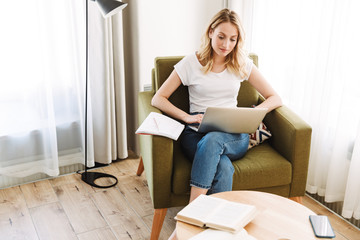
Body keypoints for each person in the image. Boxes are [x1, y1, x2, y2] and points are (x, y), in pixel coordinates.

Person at [151, 8, 282, 240]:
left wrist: (252, 113)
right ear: (211, 32)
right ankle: (216, 232)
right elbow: (158, 98)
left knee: (214, 140)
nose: (226, 44)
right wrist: (187, 117)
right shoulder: (191, 63)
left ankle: (188, 220)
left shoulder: (242, 63)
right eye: (221, 36)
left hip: (234, 135)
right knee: (223, 168)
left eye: (233, 39)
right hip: (195, 134)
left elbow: (275, 98)